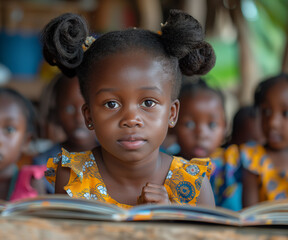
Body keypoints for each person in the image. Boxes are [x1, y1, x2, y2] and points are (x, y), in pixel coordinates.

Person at [44, 9, 216, 208]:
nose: (131, 119)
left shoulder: (194, 185)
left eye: (148, 103)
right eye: (111, 104)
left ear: (172, 113)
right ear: (89, 115)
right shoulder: (73, 177)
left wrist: (169, 216)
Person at [174, 79, 242, 210]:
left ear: (226, 126)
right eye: (189, 124)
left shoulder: (232, 163)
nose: (201, 134)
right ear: (172, 122)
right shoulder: (167, 165)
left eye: (212, 125)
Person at [241, 73, 288, 207]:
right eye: (266, 111)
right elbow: (250, 215)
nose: (273, 123)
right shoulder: (253, 158)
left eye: (286, 113)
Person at [33, 73, 98, 193]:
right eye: (69, 109)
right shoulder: (43, 164)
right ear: (56, 113)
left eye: (87, 108)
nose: (79, 118)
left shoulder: (117, 157)